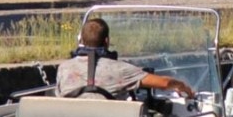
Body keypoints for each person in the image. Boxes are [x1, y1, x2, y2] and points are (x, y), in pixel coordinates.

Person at [54, 17, 195, 100]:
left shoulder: (63, 68)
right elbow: (164, 83)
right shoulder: (120, 69)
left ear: (81, 41)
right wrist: (184, 88)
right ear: (107, 41)